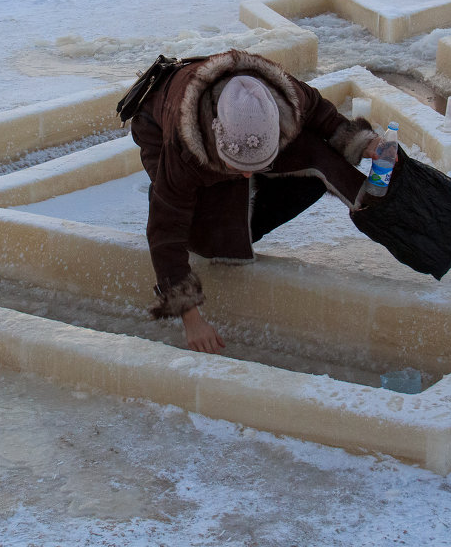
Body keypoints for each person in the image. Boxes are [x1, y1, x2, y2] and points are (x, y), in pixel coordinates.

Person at [126, 49, 384, 354]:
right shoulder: (183, 148)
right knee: (202, 228)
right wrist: (191, 318)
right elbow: (165, 230)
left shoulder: (282, 96)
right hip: (158, 124)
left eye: (257, 165)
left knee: (318, 154)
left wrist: (364, 143)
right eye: (238, 165)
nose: (248, 176)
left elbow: (319, 112)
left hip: (218, 120)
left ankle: (240, 207)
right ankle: (208, 213)